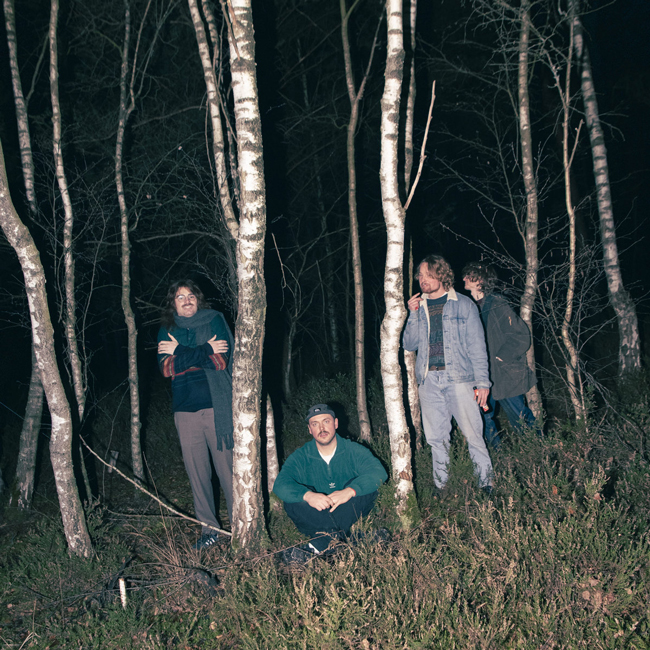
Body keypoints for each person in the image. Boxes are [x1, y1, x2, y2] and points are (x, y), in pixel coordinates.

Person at [402, 255, 493, 491]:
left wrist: (483, 383)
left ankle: (486, 484)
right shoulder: (419, 307)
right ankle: (442, 487)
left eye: (428, 274)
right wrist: (412, 314)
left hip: (460, 379)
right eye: (420, 276)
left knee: (473, 435)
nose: (422, 280)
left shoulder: (464, 304)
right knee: (436, 439)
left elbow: (477, 346)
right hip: (429, 381)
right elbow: (409, 344)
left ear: (441, 275)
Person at [157, 280, 234, 550]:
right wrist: (205, 350)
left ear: (198, 299)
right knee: (197, 475)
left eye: (190, 295)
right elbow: (167, 368)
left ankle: (242, 527)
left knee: (228, 471)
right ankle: (209, 530)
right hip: (185, 412)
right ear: (173, 303)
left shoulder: (213, 320)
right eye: (180, 297)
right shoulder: (167, 329)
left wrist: (179, 351)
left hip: (217, 409)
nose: (187, 300)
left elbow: (221, 361)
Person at [273, 403, 388, 564]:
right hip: (314, 512)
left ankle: (315, 547)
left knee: (366, 489)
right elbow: (280, 484)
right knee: (293, 500)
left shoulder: (352, 450)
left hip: (347, 509)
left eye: (326, 421)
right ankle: (352, 540)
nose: (321, 428)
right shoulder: (301, 456)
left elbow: (378, 472)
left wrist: (350, 491)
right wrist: (308, 495)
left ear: (336, 423)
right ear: (310, 429)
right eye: (315, 424)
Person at [462, 262, 538, 447]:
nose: (463, 278)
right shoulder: (470, 307)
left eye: (469, 275)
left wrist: (500, 357)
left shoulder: (497, 304)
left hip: (504, 376)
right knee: (483, 417)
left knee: (520, 418)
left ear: (480, 280)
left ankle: (539, 452)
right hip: (482, 376)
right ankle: (497, 455)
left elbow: (521, 336)